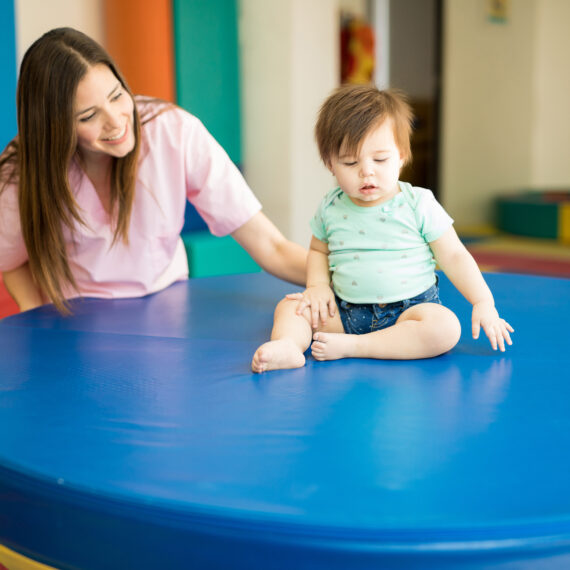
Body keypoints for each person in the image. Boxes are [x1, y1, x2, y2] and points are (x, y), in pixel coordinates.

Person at [0, 27, 306, 314]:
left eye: (117, 95)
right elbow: (11, 260)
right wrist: (37, 319)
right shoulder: (24, 168)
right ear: (56, 128)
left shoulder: (173, 132)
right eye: (89, 115)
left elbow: (272, 246)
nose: (117, 121)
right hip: (80, 319)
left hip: (167, 309)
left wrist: (342, 277)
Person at [252, 84, 514, 373]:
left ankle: (354, 346)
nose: (367, 171)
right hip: (347, 311)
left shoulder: (418, 203)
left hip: (410, 312)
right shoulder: (331, 206)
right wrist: (317, 286)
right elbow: (317, 250)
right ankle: (289, 347)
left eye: (380, 159)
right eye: (350, 162)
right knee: (290, 308)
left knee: (445, 328)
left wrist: (482, 301)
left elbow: (454, 256)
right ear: (330, 164)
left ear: (401, 156)